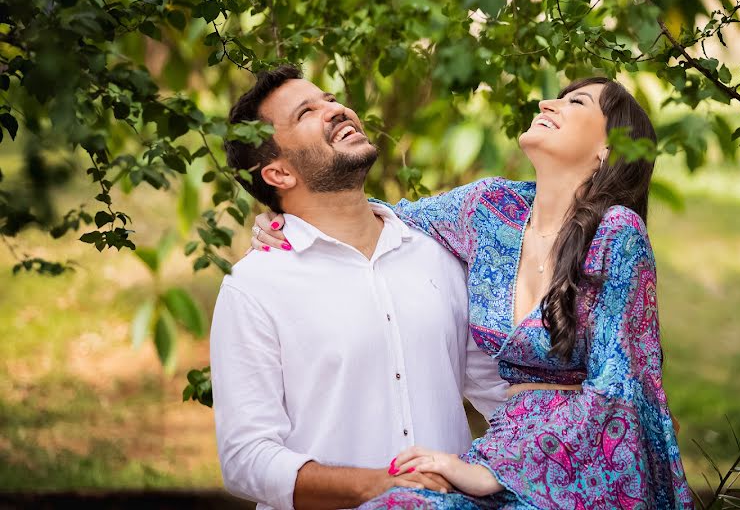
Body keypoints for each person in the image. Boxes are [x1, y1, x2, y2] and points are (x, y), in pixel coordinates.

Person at [253, 76, 694, 509]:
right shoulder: (491, 210)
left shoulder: (617, 233)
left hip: (584, 461)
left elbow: (616, 387)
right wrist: (286, 221)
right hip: (504, 444)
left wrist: (492, 473)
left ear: (607, 149)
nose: (546, 105)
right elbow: (385, 217)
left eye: (576, 103)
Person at [211, 65, 509, 510]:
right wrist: (383, 486)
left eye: (330, 98)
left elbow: (501, 398)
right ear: (278, 175)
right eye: (307, 112)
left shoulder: (438, 255)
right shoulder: (255, 285)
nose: (334, 109)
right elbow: (246, 459)